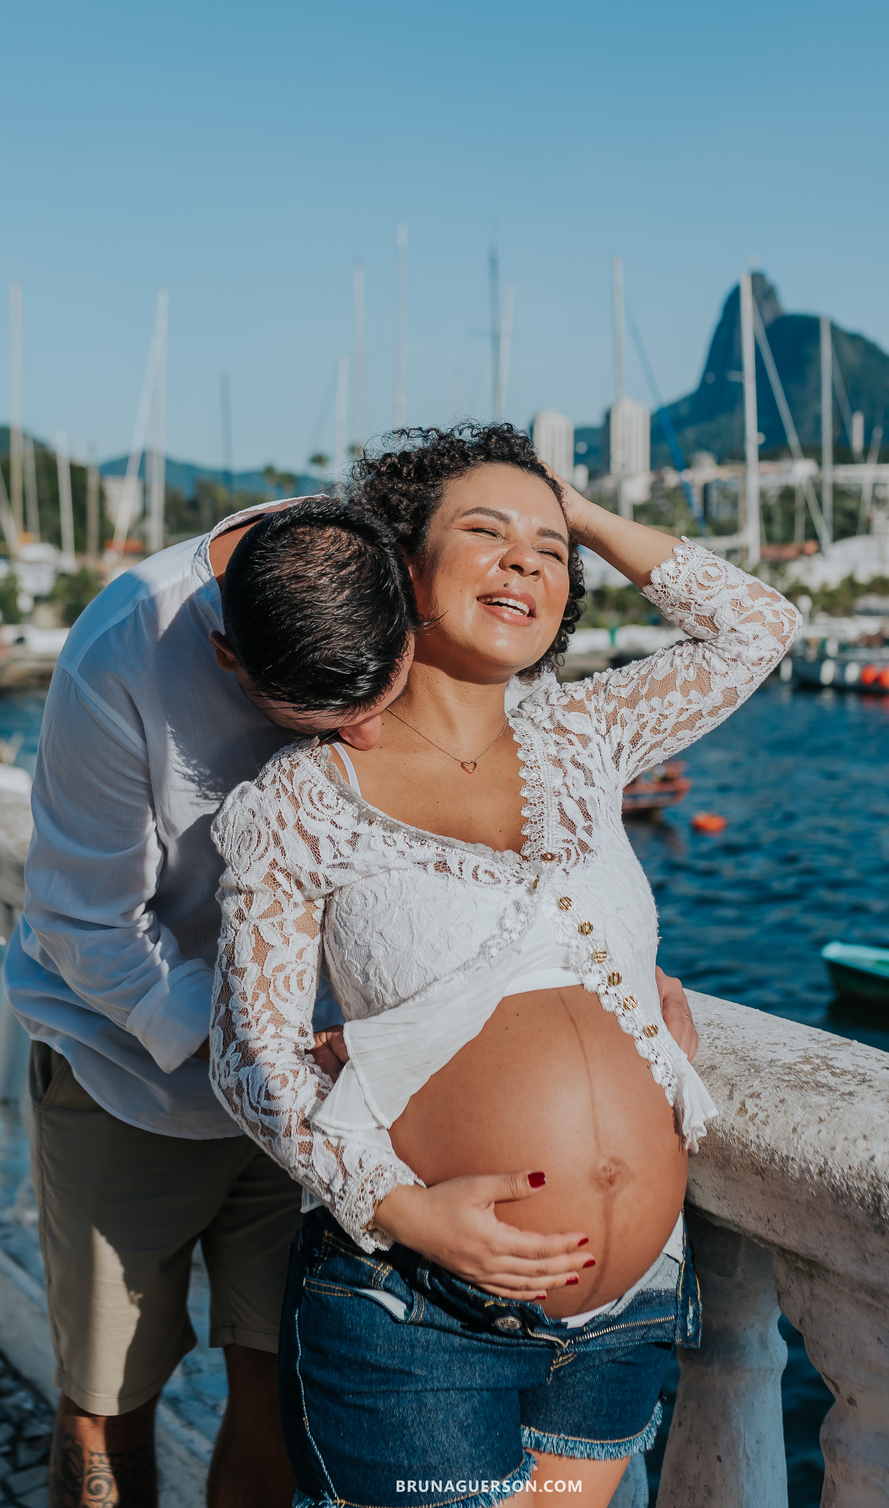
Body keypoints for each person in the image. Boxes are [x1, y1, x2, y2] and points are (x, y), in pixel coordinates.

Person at [209, 425, 799, 1508]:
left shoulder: (585, 731)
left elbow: (758, 626)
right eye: (485, 533)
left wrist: (576, 510)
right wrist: (404, 1210)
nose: (528, 558)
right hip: (418, 1313)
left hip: (619, 1320)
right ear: (403, 569)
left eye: (551, 548)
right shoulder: (303, 795)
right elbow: (252, 1062)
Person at [4, 496, 420, 1508]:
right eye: (330, 722)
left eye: (385, 693)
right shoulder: (120, 657)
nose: (371, 736)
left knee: (283, 1386)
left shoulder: (376, 564)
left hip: (309, 1096)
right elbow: (85, 923)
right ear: (232, 662)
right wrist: (252, 1045)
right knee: (109, 1400)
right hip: (126, 1081)